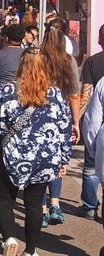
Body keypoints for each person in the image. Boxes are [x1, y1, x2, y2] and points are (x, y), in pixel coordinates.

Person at [0, 47, 72, 256]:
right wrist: (63, 159)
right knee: (34, 204)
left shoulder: (6, 91)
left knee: (4, 199)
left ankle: (9, 239)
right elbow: (64, 130)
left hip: (13, 156)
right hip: (43, 159)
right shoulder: (55, 95)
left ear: (21, 65)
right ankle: (30, 251)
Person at [39, 25, 81, 226]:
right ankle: (55, 203)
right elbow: (74, 94)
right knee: (58, 160)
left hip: (37, 114)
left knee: (38, 160)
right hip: (61, 117)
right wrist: (76, 121)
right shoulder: (69, 61)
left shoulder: (37, 59)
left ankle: (40, 208)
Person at [78, 24, 104, 220]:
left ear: (99, 40)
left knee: (90, 164)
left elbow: (86, 92)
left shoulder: (92, 62)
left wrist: (77, 118)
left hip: (99, 121)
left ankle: (89, 205)